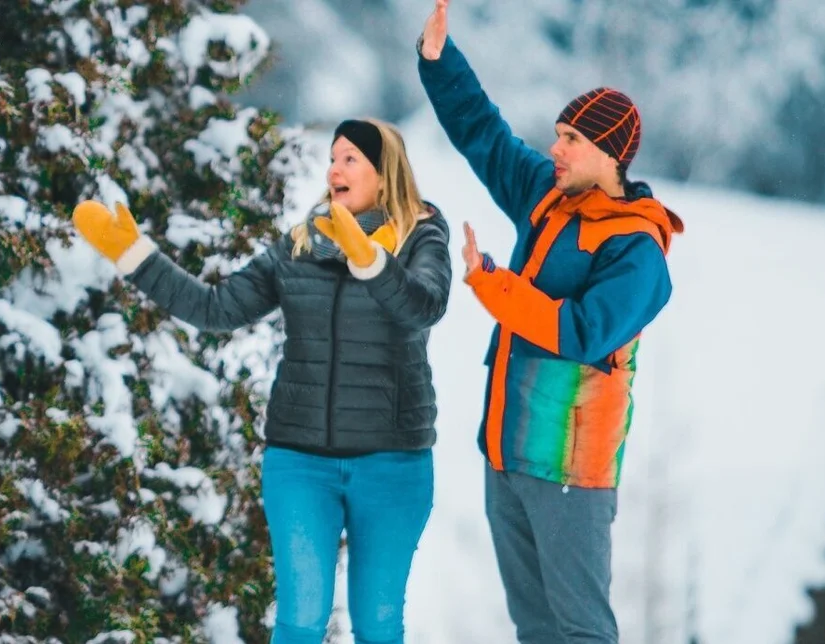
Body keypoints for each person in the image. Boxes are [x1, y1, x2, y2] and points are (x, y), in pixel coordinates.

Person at [70, 119, 452, 644]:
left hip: (393, 463)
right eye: (333, 157)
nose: (334, 168)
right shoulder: (299, 246)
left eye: (350, 159)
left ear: (384, 175)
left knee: (378, 625)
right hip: (300, 460)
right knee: (299, 622)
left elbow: (424, 306)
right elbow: (216, 307)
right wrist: (137, 257)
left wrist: (370, 262)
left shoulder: (422, 238)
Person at [416, 1, 684, 642]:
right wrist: (438, 61)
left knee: (582, 630)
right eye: (558, 134)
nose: (555, 148)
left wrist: (493, 284)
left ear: (611, 156)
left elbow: (582, 333)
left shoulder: (637, 251)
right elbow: (486, 135)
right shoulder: (548, 195)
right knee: (534, 629)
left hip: (570, 471)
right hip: (506, 456)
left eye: (572, 140)